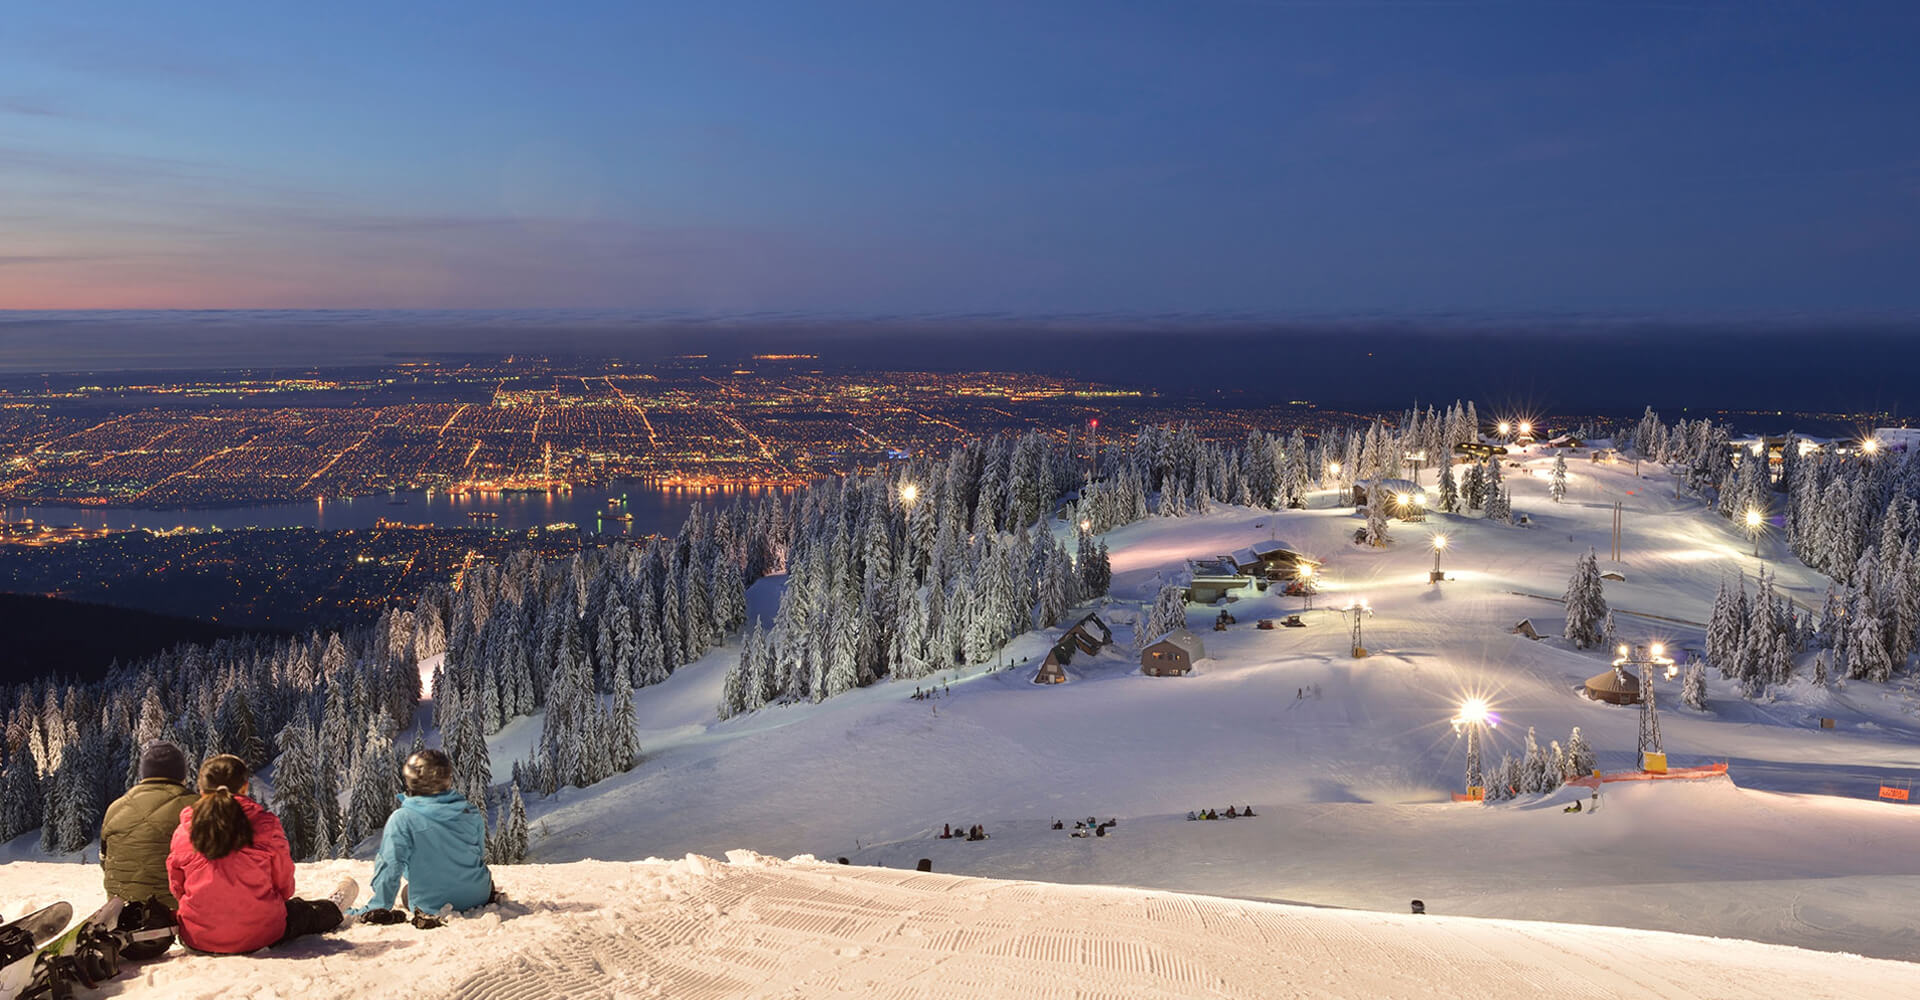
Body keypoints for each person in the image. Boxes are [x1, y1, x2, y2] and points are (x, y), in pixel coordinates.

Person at [166, 754, 354, 954]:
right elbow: (284, 888)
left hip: (198, 938)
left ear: (201, 789)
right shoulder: (265, 824)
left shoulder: (185, 829)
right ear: (245, 787)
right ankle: (333, 907)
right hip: (260, 933)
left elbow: (177, 887)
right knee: (300, 912)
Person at [352, 750, 495, 926]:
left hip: (431, 902)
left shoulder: (402, 818)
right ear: (447, 778)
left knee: (407, 893)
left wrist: (379, 905)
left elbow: (391, 864)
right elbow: (478, 854)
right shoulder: (470, 811)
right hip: (478, 895)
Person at [100, 741, 198, 959]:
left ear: (144, 774)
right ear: (181, 773)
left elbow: (105, 860)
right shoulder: (195, 805)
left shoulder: (116, 806)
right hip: (175, 913)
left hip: (121, 912)